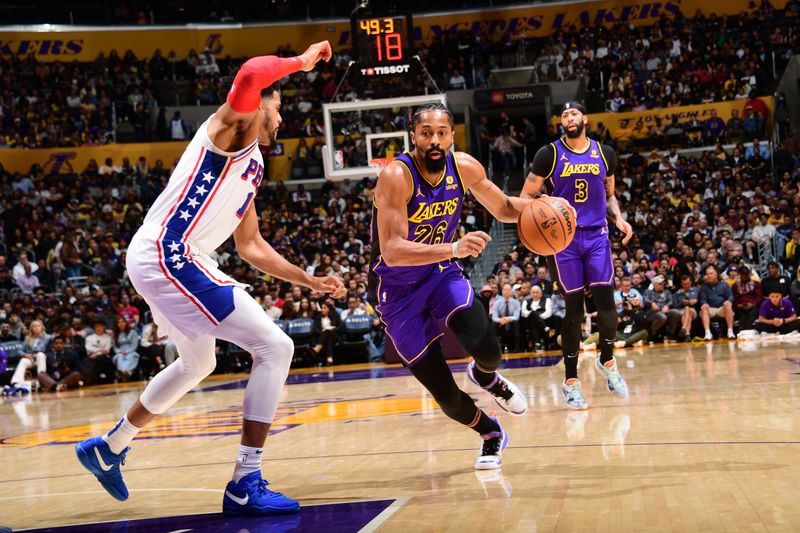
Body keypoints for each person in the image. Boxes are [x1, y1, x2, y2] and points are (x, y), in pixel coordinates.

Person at [75, 41, 346, 517]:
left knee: (197, 363)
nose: (280, 119)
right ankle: (246, 480)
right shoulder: (230, 129)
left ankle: (111, 446)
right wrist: (302, 64)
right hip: (169, 252)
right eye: (277, 106)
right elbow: (248, 73)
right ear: (258, 104)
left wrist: (309, 280)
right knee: (276, 347)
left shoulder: (254, 164)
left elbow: (251, 246)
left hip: (171, 258)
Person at [371, 103, 528, 471]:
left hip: (440, 274)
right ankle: (491, 433)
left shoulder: (465, 166)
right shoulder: (396, 175)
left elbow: (504, 207)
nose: (434, 141)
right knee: (447, 398)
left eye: (442, 133)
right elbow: (392, 251)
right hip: (397, 291)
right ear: (414, 136)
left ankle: (485, 377)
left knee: (489, 351)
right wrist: (455, 248)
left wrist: (544, 205)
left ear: (452, 136)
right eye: (426, 133)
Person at [520, 101, 633, 410]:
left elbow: (609, 196)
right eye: (564, 115)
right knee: (574, 312)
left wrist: (619, 219)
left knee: (608, 309)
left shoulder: (604, 153)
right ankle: (571, 381)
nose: (569, 118)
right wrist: (542, 205)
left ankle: (607, 361)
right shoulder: (549, 154)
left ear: (585, 118)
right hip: (564, 241)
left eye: (574, 114)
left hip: (597, 234)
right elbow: (525, 196)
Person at [698, 266, 736, 340]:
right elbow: (702, 299)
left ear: (716, 275)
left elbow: (730, 296)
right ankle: (707, 333)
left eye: (711, 273)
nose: (709, 275)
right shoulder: (704, 287)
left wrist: (728, 301)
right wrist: (704, 303)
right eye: (707, 274)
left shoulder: (724, 285)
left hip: (722, 308)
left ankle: (730, 331)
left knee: (728, 305)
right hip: (710, 309)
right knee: (704, 308)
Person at [492, 282, 521, 352]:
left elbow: (516, 316)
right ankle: (496, 348)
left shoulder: (516, 303)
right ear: (502, 291)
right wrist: (500, 320)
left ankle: (517, 348)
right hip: (501, 324)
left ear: (511, 291)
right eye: (505, 289)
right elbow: (494, 317)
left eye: (509, 289)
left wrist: (508, 319)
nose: (507, 291)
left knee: (517, 322)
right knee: (494, 323)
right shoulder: (497, 302)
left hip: (511, 323)